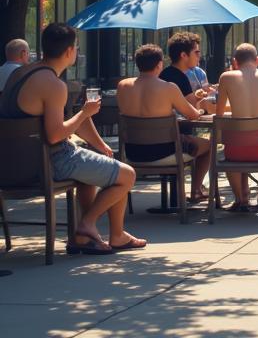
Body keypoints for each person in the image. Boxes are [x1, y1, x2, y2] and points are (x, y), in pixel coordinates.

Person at [0, 22, 143, 253]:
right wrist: (85, 113)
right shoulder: (53, 85)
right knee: (127, 175)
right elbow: (56, 135)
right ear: (69, 51)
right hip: (46, 162)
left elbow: (66, 123)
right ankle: (86, 226)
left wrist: (100, 144)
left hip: (9, 164)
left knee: (92, 172)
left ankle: (102, 236)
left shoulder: (20, 73)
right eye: (76, 47)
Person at [116, 44, 211, 203]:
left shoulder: (123, 86)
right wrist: (200, 109)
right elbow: (191, 114)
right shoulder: (168, 88)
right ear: (160, 64)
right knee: (208, 145)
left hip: (132, 151)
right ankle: (196, 190)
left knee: (187, 141)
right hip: (165, 150)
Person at [214, 44, 258, 212]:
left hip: (235, 150)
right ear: (257, 60)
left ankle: (240, 198)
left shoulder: (226, 77)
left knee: (227, 153)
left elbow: (219, 114)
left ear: (235, 62)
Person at [160, 32, 215, 110]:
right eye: (196, 52)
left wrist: (198, 96)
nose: (199, 56)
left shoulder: (166, 73)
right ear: (184, 55)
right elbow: (193, 108)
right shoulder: (179, 77)